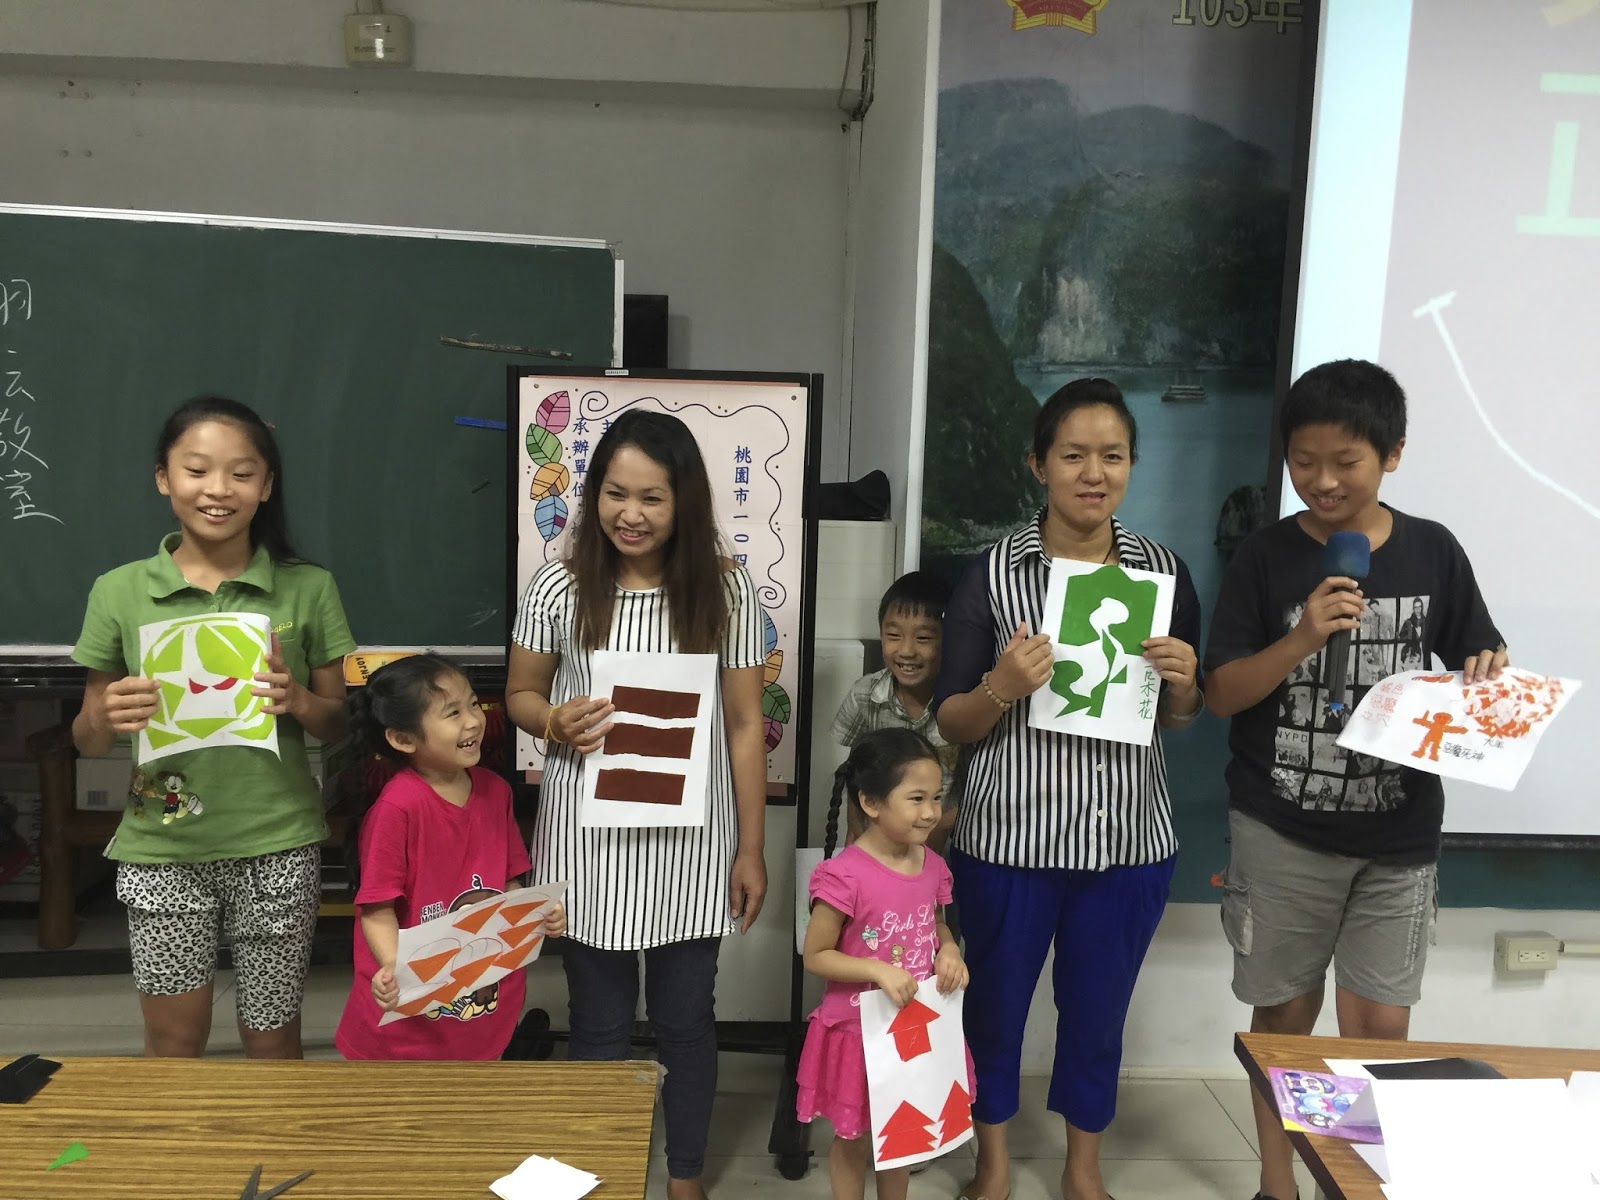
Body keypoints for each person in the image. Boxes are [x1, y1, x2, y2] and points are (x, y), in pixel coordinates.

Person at [1203, 359, 1506, 1200]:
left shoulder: (1433, 550)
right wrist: (1303, 637)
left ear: (1392, 455)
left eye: (1346, 462)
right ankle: (1278, 1186)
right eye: (1304, 462)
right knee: (1285, 1024)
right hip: (1281, 827)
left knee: (1377, 1030)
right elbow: (1222, 693)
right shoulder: (1266, 555)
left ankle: (1354, 1180)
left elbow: (1479, 657)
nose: (1323, 481)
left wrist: (1487, 667)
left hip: (1398, 835)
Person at [934, 378, 1204, 1200]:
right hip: (1009, 842)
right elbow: (952, 720)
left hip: (1125, 842)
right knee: (994, 1012)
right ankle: (993, 1166)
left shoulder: (1163, 573)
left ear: (1131, 465)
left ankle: (1083, 1169)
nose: (1094, 473)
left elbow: (1177, 719)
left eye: (1112, 456)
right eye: (1074, 455)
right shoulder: (991, 574)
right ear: (1038, 464)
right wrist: (1002, 685)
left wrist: (1185, 683)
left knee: (1097, 1017)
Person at [505, 409, 769, 1200]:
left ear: (684, 501)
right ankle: (599, 1172)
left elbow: (746, 724)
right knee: (598, 1023)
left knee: (687, 1021)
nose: (631, 514)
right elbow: (520, 694)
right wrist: (552, 720)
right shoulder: (559, 586)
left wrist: (751, 849)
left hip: (692, 843)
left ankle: (686, 1175)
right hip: (588, 843)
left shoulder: (725, 589)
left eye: (652, 497)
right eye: (615, 494)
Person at [70, 396, 355, 1059]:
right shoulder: (119, 591)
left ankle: (273, 1130)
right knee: (173, 1043)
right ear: (163, 477)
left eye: (241, 473)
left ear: (267, 486)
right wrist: (104, 715)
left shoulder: (309, 588)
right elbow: (88, 738)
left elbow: (339, 724)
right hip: (162, 846)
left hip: (277, 843)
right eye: (197, 470)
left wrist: (297, 700)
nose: (218, 490)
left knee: (273, 1040)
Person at [333, 654, 566, 1060]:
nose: (474, 721)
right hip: (409, 1023)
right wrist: (397, 969)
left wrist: (535, 915)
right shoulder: (397, 808)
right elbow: (377, 911)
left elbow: (508, 881)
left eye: (473, 703)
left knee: (474, 1089)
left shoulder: (496, 791)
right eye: (453, 712)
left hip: (480, 996)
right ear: (403, 739)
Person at [797, 728, 971, 1200]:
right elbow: (816, 954)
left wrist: (949, 950)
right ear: (871, 802)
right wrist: (877, 969)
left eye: (936, 797)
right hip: (858, 1033)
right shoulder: (843, 875)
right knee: (852, 1138)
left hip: (913, 1029)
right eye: (916, 798)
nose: (931, 812)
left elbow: (937, 925)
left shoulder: (933, 866)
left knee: (904, 1134)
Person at [831, 571, 960, 849]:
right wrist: (855, 833)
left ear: (950, 639)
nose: (906, 650)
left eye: (923, 638)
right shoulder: (865, 695)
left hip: (947, 847)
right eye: (893, 636)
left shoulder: (962, 703)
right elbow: (857, 772)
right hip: (881, 849)